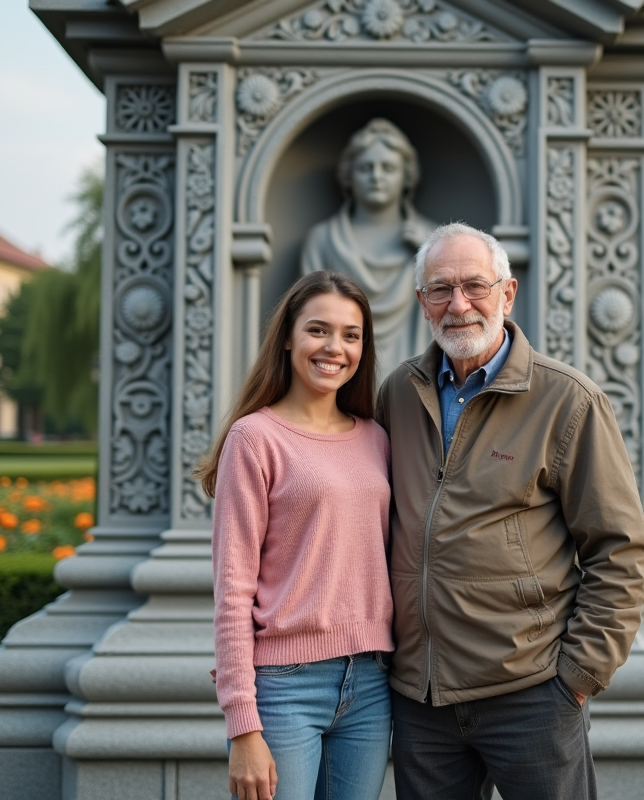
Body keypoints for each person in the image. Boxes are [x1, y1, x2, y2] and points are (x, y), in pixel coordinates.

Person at [375, 222, 644, 800]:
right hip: (421, 701)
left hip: (531, 693)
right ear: (422, 301)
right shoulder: (397, 394)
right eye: (441, 289)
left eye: (475, 285)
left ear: (508, 293)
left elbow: (618, 549)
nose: (459, 305)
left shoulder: (568, 400)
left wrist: (578, 677)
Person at [199, 271, 394, 800]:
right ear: (287, 336)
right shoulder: (255, 438)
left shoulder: (377, 438)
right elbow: (233, 587)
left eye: (351, 335)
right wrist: (243, 724)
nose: (335, 348)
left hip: (372, 683)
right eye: (318, 330)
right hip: (284, 687)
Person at [301, 118, 436, 378]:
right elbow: (308, 315)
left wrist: (429, 255)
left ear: (406, 175)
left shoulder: (432, 242)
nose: (376, 177)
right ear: (348, 175)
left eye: (387, 168)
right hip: (337, 370)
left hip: (415, 378)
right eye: (365, 168)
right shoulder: (324, 239)